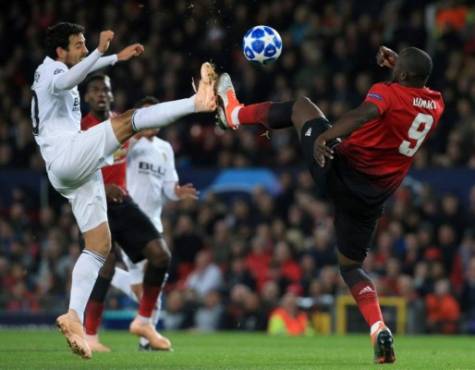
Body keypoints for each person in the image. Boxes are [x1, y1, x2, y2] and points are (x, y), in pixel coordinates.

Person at [216, 46, 445, 364]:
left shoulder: (385, 93)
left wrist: (326, 139)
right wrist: (401, 69)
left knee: (300, 107)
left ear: (402, 74)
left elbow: (364, 113)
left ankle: (233, 114)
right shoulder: (436, 104)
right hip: (370, 198)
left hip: (339, 169)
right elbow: (412, 92)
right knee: (351, 267)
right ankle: (378, 327)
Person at [31, 22, 216, 359]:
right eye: (79, 45)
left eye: (86, 45)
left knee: (99, 246)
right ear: (60, 51)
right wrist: (102, 52)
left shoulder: (59, 70)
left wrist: (114, 57)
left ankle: (74, 316)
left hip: (70, 171)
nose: (85, 50)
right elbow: (67, 79)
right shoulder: (50, 70)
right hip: (67, 154)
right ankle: (198, 102)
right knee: (131, 120)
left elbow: (77, 75)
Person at [81, 79, 198, 352]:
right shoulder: (83, 128)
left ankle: (144, 325)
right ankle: (94, 336)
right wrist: (101, 186)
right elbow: (72, 171)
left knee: (160, 258)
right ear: (86, 96)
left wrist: (176, 191)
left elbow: (168, 183)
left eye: (107, 90)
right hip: (95, 202)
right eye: (97, 90)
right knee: (108, 266)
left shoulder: (131, 129)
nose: (103, 94)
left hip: (129, 207)